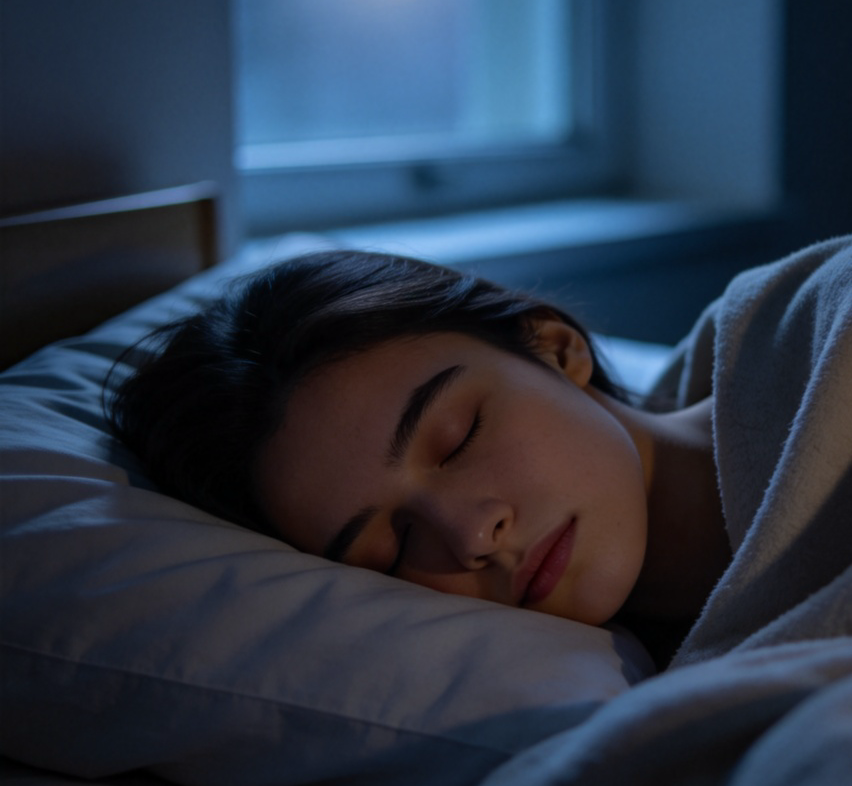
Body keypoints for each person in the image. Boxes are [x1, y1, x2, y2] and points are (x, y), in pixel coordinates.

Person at [109, 249, 732, 646]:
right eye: (394, 548)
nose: (472, 537)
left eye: (459, 442)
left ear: (554, 347)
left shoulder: (828, 356)